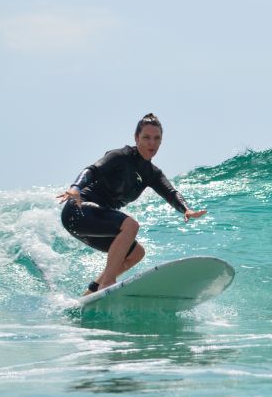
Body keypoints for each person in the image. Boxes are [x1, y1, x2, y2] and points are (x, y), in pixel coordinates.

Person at [57, 113, 207, 295]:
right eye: (146, 137)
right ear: (136, 138)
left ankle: (92, 292)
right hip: (78, 211)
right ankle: (108, 283)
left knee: (136, 253)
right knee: (130, 226)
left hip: (96, 221)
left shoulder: (152, 173)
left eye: (156, 138)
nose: (151, 143)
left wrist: (186, 209)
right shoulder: (120, 156)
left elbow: (170, 193)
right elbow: (92, 170)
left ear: (161, 142)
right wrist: (76, 188)